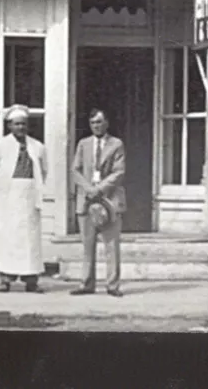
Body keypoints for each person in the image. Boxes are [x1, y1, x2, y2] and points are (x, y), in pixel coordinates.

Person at [0, 104, 48, 293]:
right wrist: (3, 186)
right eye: (17, 124)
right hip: (8, 198)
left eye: (24, 124)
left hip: (29, 196)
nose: (21, 128)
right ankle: (5, 278)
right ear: (9, 125)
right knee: (8, 238)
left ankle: (31, 280)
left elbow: (44, 171)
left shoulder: (37, 146)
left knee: (30, 239)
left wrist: (32, 186)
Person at [71, 108, 126, 297]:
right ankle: (86, 283)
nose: (97, 125)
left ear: (107, 123)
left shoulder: (116, 144)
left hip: (109, 199)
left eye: (100, 121)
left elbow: (119, 172)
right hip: (86, 200)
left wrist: (99, 189)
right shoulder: (83, 144)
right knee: (87, 245)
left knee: (111, 245)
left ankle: (112, 285)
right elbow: (75, 170)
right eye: (93, 122)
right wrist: (88, 189)